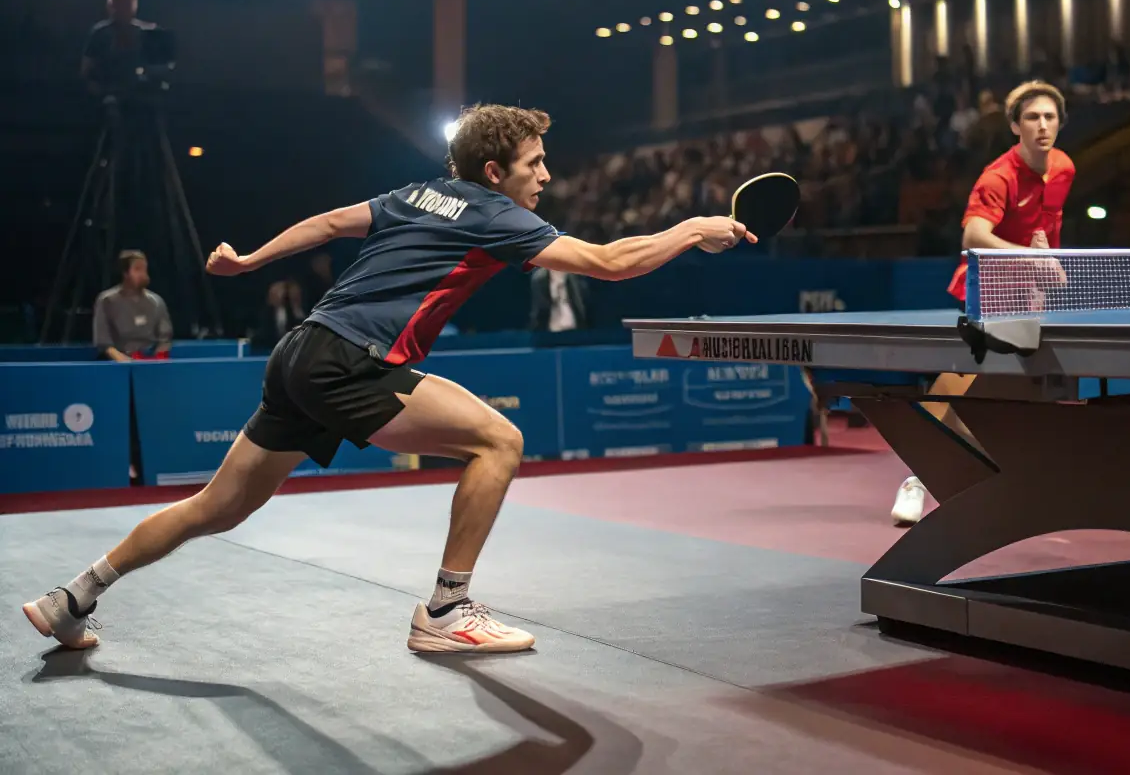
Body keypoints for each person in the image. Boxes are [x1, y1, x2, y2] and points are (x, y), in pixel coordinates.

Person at [25, 104, 755, 655]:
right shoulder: (494, 213)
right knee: (499, 441)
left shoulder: (418, 194)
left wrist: (250, 261)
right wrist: (693, 228)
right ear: (496, 172)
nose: (547, 174)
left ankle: (74, 597)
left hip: (301, 349)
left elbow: (332, 221)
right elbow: (609, 262)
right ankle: (445, 612)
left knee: (215, 506)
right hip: (352, 357)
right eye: (536, 162)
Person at [890, 81, 1074, 526]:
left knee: (1028, 383)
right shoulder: (998, 177)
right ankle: (916, 478)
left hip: (1029, 291)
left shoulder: (1064, 167)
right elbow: (973, 235)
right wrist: (1029, 256)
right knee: (960, 381)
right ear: (1015, 125)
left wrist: (1044, 256)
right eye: (1032, 117)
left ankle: (1003, 474)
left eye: (1050, 117)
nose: (1042, 125)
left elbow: (1044, 223)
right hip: (985, 288)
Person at [92, 250, 173, 362]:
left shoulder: (156, 302)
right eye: (137, 269)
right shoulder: (107, 301)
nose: (143, 274)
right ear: (125, 273)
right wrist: (126, 361)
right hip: (117, 363)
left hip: (150, 360)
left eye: (144, 269)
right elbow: (104, 343)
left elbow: (164, 339)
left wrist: (157, 361)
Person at [528, 267, 591, 332]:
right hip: (549, 334)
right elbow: (537, 315)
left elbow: (587, 312)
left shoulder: (578, 279)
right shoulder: (539, 280)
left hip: (577, 333)